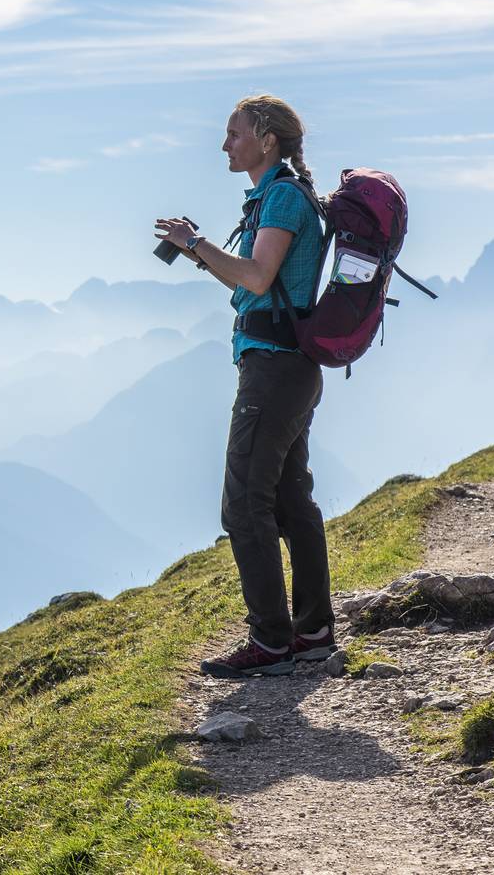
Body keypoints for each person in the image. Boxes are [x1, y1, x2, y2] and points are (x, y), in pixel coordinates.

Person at [154, 94, 335, 679]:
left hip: (274, 367)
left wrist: (193, 245)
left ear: (267, 140)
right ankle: (312, 631)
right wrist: (201, 249)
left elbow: (257, 277)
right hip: (291, 366)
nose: (225, 145)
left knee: (243, 505)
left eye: (234, 134)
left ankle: (272, 643)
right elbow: (259, 278)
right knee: (288, 500)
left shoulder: (282, 196)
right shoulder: (280, 194)